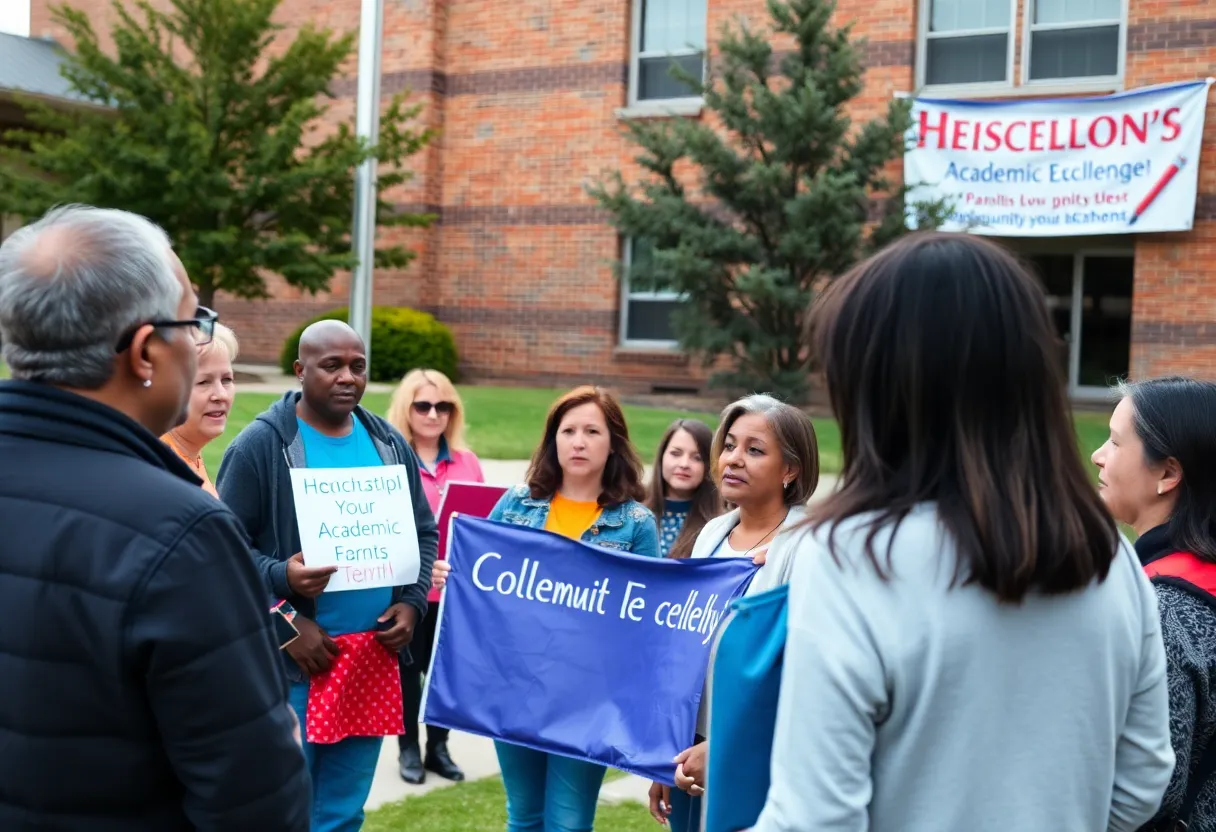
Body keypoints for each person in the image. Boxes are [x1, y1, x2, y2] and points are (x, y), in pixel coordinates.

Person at [750, 232, 1174, 831]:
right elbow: (1140, 783)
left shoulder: (850, 556)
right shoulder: (1110, 555)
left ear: (880, 389)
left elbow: (815, 818)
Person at [0, 205, 309, 830]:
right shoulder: (181, 533)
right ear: (145, 351)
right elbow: (255, 803)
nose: (199, 346)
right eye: (194, 322)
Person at [216, 320, 438, 832]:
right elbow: (220, 556)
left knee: (343, 811)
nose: (347, 377)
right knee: (282, 807)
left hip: (370, 659)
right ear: (300, 371)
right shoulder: (261, 447)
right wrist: (286, 612)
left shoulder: (387, 443)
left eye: (357, 366)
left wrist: (411, 603)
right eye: (331, 365)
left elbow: (423, 533)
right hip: (294, 666)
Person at [433, 385, 658, 832]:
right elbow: (481, 582)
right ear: (553, 439)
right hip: (514, 686)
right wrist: (450, 577)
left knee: (569, 824)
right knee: (524, 817)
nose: (579, 441)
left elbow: (646, 621)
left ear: (612, 442)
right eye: (568, 430)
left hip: (589, 699)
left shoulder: (635, 524)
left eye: (592, 431)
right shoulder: (518, 504)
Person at [649, 395, 819, 832]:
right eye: (729, 445)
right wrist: (664, 755)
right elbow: (687, 647)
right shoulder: (711, 534)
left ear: (791, 469)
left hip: (755, 753)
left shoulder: (807, 548)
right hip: (691, 750)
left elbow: (801, 673)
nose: (733, 459)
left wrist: (722, 747)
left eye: (754, 450)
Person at [1092, 377, 1216, 832]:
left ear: (1168, 473)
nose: (1097, 455)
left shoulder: (1166, 612)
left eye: (1116, 441)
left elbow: (1153, 793)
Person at [386, 368, 485, 784]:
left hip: (455, 592)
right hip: (407, 591)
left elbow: (482, 523)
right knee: (407, 674)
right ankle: (407, 749)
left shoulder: (467, 462)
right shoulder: (388, 458)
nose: (433, 414)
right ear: (405, 410)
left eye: (442, 406)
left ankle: (438, 749)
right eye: (422, 405)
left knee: (445, 675)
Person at [161, 322, 239, 495]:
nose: (221, 395)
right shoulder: (165, 471)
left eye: (226, 380)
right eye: (203, 382)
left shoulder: (188, 453)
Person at [645, 419, 719, 559]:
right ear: (662, 456)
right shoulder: (631, 512)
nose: (684, 464)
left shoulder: (718, 528)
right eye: (676, 453)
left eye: (697, 458)